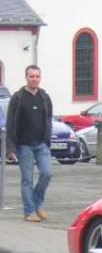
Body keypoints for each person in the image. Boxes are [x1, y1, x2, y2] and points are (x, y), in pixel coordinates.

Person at [5, 65, 53, 222]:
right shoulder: (18, 98)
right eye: (31, 76)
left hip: (41, 144)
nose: (34, 79)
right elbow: (10, 123)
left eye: (37, 76)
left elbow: (49, 118)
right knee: (27, 179)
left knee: (47, 173)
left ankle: (37, 204)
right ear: (26, 77)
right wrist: (11, 148)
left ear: (40, 77)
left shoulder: (44, 97)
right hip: (24, 145)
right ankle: (29, 211)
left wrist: (47, 138)